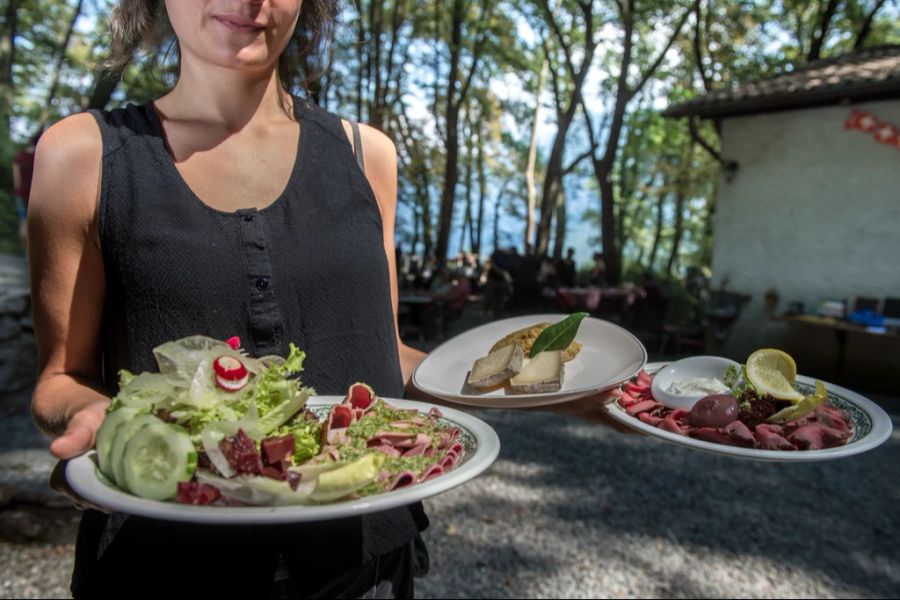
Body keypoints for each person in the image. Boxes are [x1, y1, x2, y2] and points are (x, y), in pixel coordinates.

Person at [28, 1, 630, 597]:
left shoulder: (366, 154)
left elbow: (384, 357)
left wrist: (556, 389)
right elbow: (61, 378)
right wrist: (95, 419)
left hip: (363, 568)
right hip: (159, 566)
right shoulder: (84, 155)